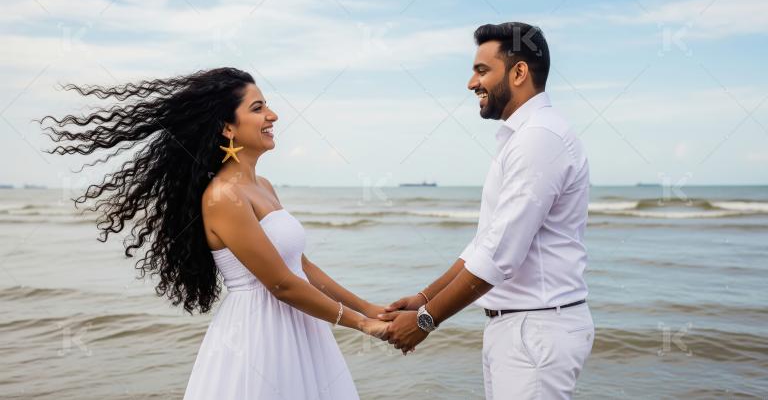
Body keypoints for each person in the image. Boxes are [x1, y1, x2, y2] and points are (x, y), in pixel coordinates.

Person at [39, 68, 389, 400]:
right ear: (227, 128)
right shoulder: (225, 196)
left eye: (266, 105)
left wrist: (369, 308)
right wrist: (360, 324)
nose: (273, 115)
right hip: (259, 336)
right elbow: (281, 284)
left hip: (301, 328)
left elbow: (302, 268)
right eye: (258, 108)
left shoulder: (263, 186)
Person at [380, 22, 594, 399]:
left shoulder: (539, 139)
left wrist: (426, 321)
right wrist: (425, 298)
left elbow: (500, 254)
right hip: (518, 329)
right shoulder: (522, 137)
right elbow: (488, 240)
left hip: (535, 332)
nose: (471, 83)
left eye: (482, 71)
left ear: (519, 72)